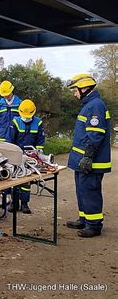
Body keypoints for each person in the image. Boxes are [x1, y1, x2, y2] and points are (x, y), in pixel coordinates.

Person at [66, 74, 111, 238]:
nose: (74, 94)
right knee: (82, 191)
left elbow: (96, 134)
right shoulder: (89, 105)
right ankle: (84, 219)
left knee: (90, 191)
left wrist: (88, 157)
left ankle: (94, 225)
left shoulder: (95, 106)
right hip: (82, 161)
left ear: (84, 89)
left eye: (75, 90)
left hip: (91, 162)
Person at [6, 99, 45, 214]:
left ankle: (24, 204)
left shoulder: (38, 123)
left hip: (30, 157)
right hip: (16, 155)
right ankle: (14, 202)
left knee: (26, 181)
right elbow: (10, 141)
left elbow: (40, 140)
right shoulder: (15, 122)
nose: (26, 118)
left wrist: (38, 153)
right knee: (15, 179)